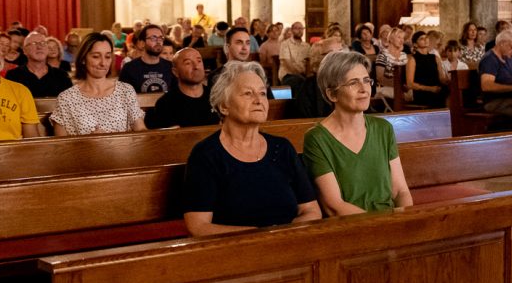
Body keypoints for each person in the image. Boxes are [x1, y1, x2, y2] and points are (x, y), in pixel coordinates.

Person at [182, 61, 321, 236]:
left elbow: (311, 210)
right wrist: (260, 238)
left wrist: (284, 236)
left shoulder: (282, 148)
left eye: (262, 93)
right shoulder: (205, 155)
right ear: (223, 106)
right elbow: (199, 226)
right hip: (236, 253)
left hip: (289, 246)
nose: (258, 100)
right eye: (248, 93)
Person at [302, 51, 412, 215]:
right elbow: (334, 205)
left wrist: (406, 222)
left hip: (391, 224)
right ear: (332, 94)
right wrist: (381, 227)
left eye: (366, 81)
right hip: (351, 228)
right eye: (353, 83)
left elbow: (400, 191)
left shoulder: (383, 128)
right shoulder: (317, 139)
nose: (364, 89)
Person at [50, 33, 146, 136]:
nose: (103, 63)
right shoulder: (67, 98)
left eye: (108, 56)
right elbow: (62, 146)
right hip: (84, 151)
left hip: (122, 151)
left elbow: (141, 132)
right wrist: (89, 143)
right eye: (96, 57)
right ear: (83, 59)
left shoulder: (125, 91)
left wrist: (110, 143)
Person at [148, 47, 219, 129]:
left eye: (199, 61)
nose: (196, 66)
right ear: (175, 72)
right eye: (188, 63)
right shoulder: (166, 103)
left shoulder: (216, 97)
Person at [4, 32, 73, 98]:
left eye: (43, 43)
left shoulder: (62, 76)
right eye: (34, 43)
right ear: (24, 50)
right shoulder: (13, 76)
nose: (39, 47)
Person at [477, 28, 512, 118]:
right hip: (495, 101)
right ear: (502, 43)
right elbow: (486, 86)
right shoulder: (489, 59)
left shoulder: (510, 60)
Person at [118, 24, 174, 93]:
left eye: (160, 38)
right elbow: (123, 97)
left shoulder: (171, 67)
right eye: (153, 38)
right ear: (142, 43)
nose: (158, 41)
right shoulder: (129, 68)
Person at [406, 30, 447, 108]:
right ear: (415, 44)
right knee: (441, 97)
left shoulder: (435, 57)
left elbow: (441, 78)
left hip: (436, 89)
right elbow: (410, 84)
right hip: (422, 92)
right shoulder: (412, 59)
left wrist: (450, 82)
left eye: (426, 38)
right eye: (421, 38)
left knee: (451, 92)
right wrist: (430, 89)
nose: (425, 40)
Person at [373, 26, 408, 106]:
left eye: (403, 38)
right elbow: (380, 78)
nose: (402, 40)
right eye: (399, 37)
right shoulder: (383, 55)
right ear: (391, 39)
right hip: (387, 87)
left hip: (404, 88)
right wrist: (398, 86)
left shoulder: (404, 55)